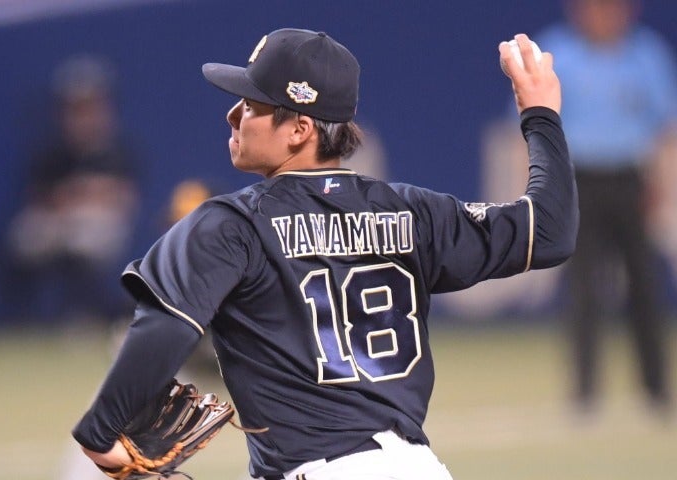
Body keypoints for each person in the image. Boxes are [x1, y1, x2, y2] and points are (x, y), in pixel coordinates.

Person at [72, 29, 577, 479]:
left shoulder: (232, 224)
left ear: (300, 129)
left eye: (251, 104)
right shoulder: (414, 213)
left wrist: (99, 434)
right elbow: (549, 231)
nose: (233, 114)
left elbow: (163, 325)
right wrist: (540, 114)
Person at [535, 0, 677, 416]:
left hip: (630, 180)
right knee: (583, 288)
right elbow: (537, 124)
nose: (602, 15)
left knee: (644, 285)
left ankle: (655, 390)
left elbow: (664, 127)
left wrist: (661, 184)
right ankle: (585, 393)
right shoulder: (556, 53)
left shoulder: (646, 55)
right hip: (580, 182)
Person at [6, 55, 140, 324]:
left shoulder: (117, 150)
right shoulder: (54, 152)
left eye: (90, 107)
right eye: (76, 109)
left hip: (98, 224)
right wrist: (83, 193)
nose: (83, 116)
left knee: (85, 238)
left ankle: (85, 317)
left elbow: (122, 199)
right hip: (57, 220)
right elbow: (41, 197)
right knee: (26, 237)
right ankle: (20, 320)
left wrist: (78, 196)